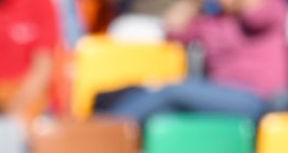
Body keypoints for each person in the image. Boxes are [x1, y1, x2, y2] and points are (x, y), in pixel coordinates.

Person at [95, 0, 287, 124]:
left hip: (258, 100)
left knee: (173, 91)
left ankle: (108, 129)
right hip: (217, 96)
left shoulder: (268, 11)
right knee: (161, 104)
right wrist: (193, 3)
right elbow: (172, 29)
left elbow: (257, 11)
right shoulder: (211, 22)